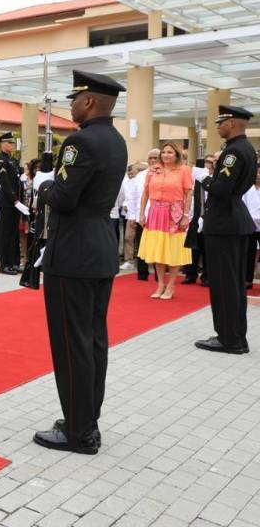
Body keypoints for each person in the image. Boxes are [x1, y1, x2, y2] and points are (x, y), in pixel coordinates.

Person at [32, 70, 127, 456]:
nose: (69, 106)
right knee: (93, 342)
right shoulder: (116, 140)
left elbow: (65, 197)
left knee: (72, 345)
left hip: (73, 254)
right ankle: (85, 418)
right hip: (99, 249)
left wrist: (43, 185)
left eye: (74, 99)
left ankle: (78, 433)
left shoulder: (81, 141)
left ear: (89, 101)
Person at [194, 105, 257, 354]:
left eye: (221, 122)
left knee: (224, 285)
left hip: (224, 224)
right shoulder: (247, 148)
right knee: (233, 284)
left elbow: (222, 189)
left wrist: (202, 176)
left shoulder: (233, 152)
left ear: (232, 123)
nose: (218, 126)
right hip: (234, 222)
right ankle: (235, 337)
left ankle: (229, 339)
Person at [136, 142, 193, 299]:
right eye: (164, 152)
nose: (166, 155)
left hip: (174, 213)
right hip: (155, 212)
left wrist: (186, 215)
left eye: (170, 152)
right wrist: (142, 213)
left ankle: (171, 285)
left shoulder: (184, 171)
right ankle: (160, 284)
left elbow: (188, 194)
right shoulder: (153, 171)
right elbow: (145, 193)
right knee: (158, 250)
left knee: (173, 250)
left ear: (176, 155)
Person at [0, 132, 23, 275]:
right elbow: (4, 182)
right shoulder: (0, 160)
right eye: (9, 143)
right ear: (2, 144)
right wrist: (15, 199)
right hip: (7, 201)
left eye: (12, 143)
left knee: (13, 234)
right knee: (5, 233)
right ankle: (4, 264)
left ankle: (14, 262)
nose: (12, 145)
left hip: (15, 201)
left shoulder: (13, 160)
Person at [182, 155, 215, 285]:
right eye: (203, 162)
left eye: (209, 162)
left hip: (208, 216)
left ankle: (206, 276)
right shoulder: (191, 179)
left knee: (207, 248)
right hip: (193, 216)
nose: (206, 165)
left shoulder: (213, 180)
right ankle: (190, 274)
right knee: (191, 248)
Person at [130, 150, 159, 280]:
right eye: (150, 158)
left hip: (159, 217)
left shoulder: (167, 174)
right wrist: (132, 217)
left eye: (155, 158)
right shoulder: (140, 176)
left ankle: (160, 275)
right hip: (142, 217)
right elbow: (134, 197)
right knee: (141, 245)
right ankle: (142, 273)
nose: (152, 160)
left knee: (158, 246)